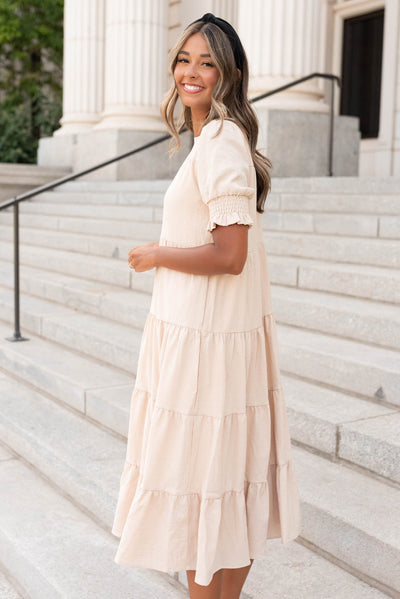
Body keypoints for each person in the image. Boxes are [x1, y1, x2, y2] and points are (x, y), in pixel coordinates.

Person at [111, 12, 302, 599]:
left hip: (206, 345)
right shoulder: (213, 140)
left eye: (207, 62)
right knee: (223, 488)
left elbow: (229, 253)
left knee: (203, 492)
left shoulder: (220, 140)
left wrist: (157, 253)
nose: (191, 72)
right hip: (205, 334)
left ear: (230, 74)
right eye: (184, 59)